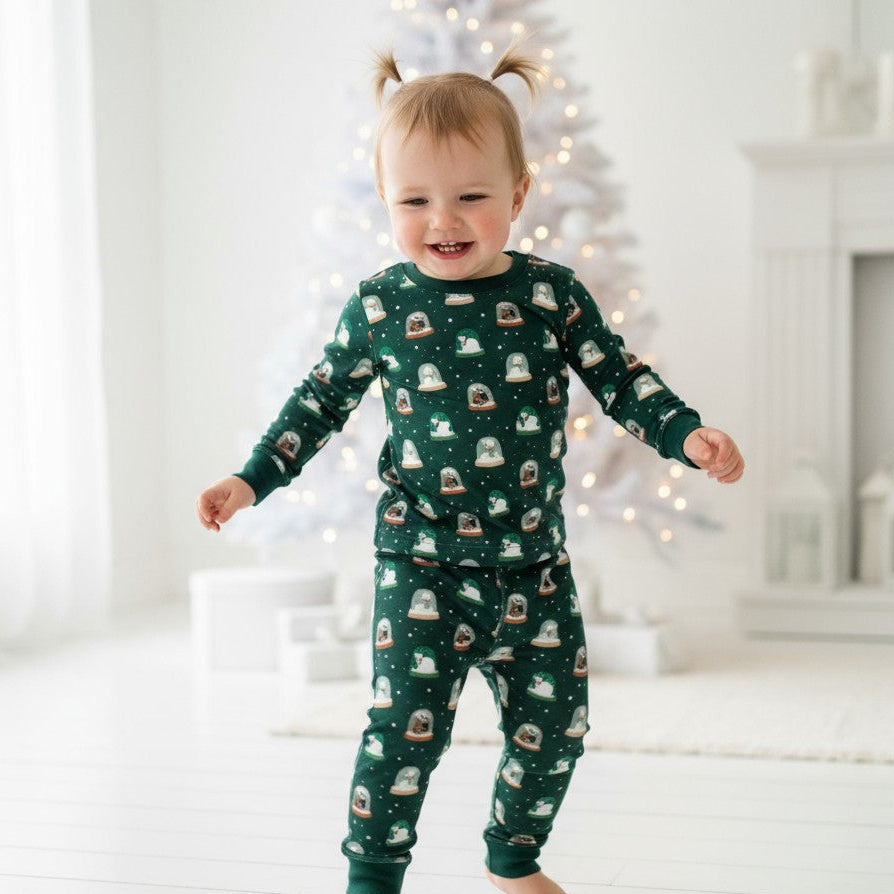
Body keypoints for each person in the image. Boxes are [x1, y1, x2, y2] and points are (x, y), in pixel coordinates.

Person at [196, 45, 744, 894]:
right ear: (384, 199)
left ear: (518, 196)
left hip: (534, 564)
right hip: (422, 566)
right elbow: (317, 405)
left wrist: (685, 435)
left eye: (472, 196)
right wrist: (249, 480)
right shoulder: (381, 305)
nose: (442, 219)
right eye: (413, 199)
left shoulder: (551, 296)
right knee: (402, 733)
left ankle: (513, 861)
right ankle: (372, 880)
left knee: (558, 726)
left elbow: (620, 377)